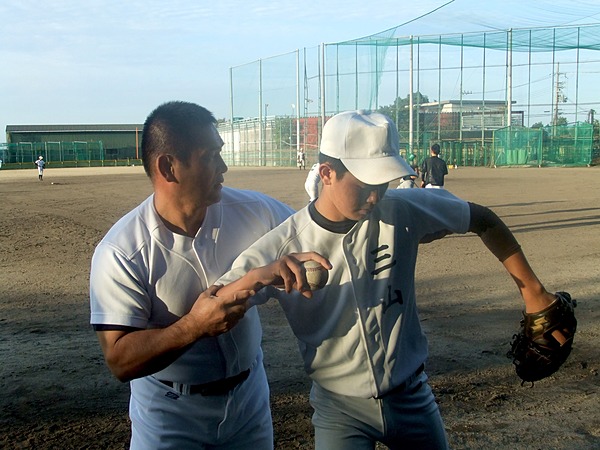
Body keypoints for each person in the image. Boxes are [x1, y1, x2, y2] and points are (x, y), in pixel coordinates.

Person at [216, 110, 567, 449]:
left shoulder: (401, 210)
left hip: (412, 396)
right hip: (338, 409)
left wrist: (533, 292)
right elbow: (215, 303)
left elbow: (482, 219)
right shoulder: (285, 244)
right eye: (366, 184)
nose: (375, 195)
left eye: (383, 182)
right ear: (326, 172)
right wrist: (258, 278)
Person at [89, 101, 296, 449]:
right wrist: (193, 326)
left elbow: (317, 233)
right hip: (170, 416)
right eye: (211, 156)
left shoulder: (257, 211)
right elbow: (120, 359)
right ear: (169, 167)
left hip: (249, 402)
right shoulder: (122, 251)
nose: (224, 167)